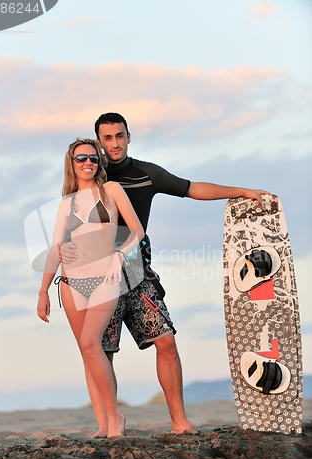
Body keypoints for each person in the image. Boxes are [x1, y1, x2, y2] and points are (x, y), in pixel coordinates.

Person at [61, 113, 269, 436]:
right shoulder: (87, 174)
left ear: (129, 137)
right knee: (102, 350)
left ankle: (179, 421)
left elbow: (191, 188)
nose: (114, 143)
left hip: (135, 271)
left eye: (120, 136)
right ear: (98, 142)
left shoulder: (146, 173)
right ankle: (109, 424)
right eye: (107, 138)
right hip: (98, 278)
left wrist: (239, 191)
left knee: (166, 340)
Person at [37, 138, 144, 437]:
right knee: (87, 352)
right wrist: (43, 291)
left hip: (105, 278)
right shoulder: (65, 203)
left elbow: (136, 231)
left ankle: (116, 418)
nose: (88, 162)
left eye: (93, 158)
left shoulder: (111, 190)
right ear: (71, 163)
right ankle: (103, 424)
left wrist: (119, 257)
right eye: (81, 158)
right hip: (71, 282)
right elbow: (55, 248)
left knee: (90, 343)